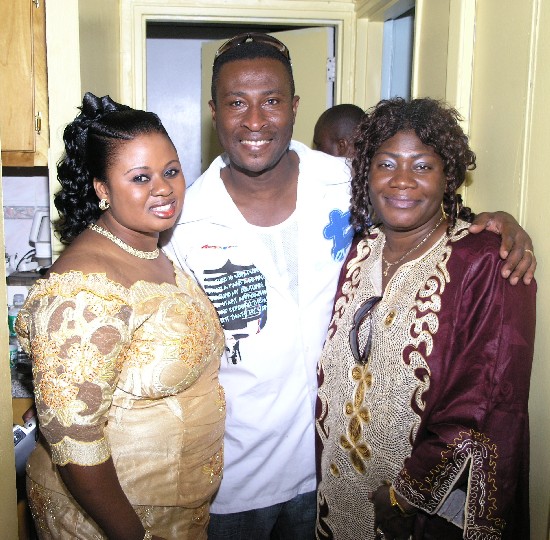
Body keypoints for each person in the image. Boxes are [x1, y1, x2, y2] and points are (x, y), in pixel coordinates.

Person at [166, 33, 536, 539]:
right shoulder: (182, 220)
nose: (255, 121)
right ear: (214, 112)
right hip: (231, 484)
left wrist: (498, 222)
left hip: (327, 477)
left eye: (272, 101)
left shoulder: (347, 182)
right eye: (236, 103)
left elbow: (419, 199)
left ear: (295, 107)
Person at [315, 97, 536, 540]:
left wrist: (407, 494)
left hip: (419, 512)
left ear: (448, 176)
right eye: (386, 164)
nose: (401, 181)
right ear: (365, 172)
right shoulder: (360, 251)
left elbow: (488, 399)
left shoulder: (486, 262)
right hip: (340, 491)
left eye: (422, 167)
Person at [15, 92, 226, 540]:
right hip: (112, 519)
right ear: (102, 189)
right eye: (140, 177)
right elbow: (75, 442)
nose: (164, 188)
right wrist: (131, 534)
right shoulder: (83, 288)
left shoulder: (153, 250)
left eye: (171, 171)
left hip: (174, 509)